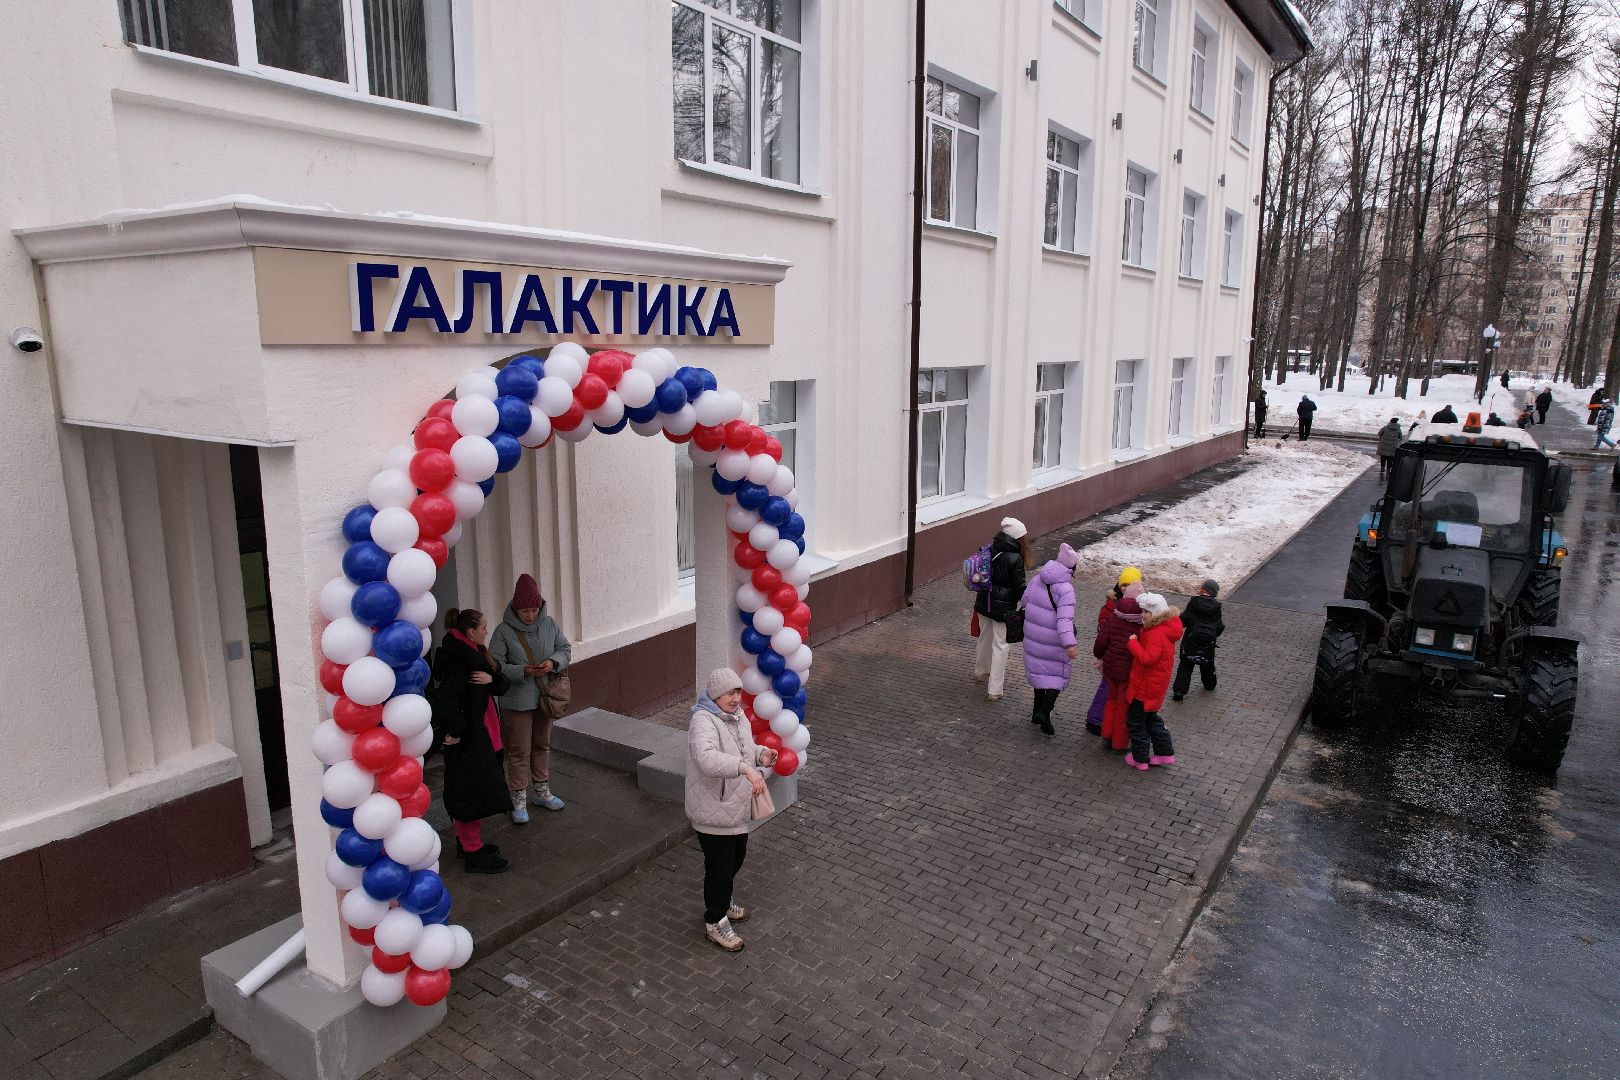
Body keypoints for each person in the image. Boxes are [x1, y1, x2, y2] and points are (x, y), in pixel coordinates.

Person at [686, 668, 778, 952]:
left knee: (736, 857)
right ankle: (715, 920)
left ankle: (723, 899)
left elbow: (744, 748)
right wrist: (746, 769)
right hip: (713, 808)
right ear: (715, 695)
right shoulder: (702, 720)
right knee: (719, 868)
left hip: (735, 808)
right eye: (730, 693)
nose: (736, 698)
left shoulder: (738, 717)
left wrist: (760, 753)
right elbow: (707, 758)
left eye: (738, 691)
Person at [432, 609, 513, 874]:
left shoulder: (474, 654)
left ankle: (467, 843)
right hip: (470, 737)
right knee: (471, 794)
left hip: (482, 733)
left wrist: (491, 679)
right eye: (483, 627)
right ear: (470, 631)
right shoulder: (460, 661)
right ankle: (472, 852)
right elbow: (447, 701)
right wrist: (456, 730)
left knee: (474, 790)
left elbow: (501, 682)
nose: (486, 631)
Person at [490, 573, 572, 824]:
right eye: (525, 610)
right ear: (516, 607)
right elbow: (494, 665)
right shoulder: (503, 631)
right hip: (517, 700)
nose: (530, 615)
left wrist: (552, 663)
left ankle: (541, 791)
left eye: (534, 609)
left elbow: (565, 649)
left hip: (545, 697)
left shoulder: (549, 624)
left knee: (542, 744)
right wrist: (522, 671)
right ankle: (518, 799)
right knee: (519, 750)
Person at [1022, 543, 1080, 737]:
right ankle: (1044, 713)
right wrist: (1070, 644)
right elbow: (1064, 621)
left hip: (1032, 636)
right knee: (1055, 677)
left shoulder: (1039, 577)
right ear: (1071, 568)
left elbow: (1025, 600)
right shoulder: (1066, 590)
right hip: (1053, 642)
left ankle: (1036, 712)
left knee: (1040, 674)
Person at [1123, 593, 1184, 771]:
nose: (1142, 615)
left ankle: (1140, 758)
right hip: (1156, 688)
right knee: (1151, 720)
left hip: (1145, 688)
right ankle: (1164, 753)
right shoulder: (1166, 630)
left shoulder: (1154, 633)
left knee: (1135, 722)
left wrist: (1133, 643)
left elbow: (1148, 659)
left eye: (1146, 612)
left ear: (1156, 614)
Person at [974, 517, 1031, 702]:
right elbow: (1020, 587)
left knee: (984, 638)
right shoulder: (1015, 557)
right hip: (1003, 608)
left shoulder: (989, 548)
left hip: (984, 602)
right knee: (1000, 646)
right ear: (1016, 537)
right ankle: (995, 689)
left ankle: (981, 671)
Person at [1084, 567, 1143, 737]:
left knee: (1117, 692)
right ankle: (1096, 720)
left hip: (1127, 657)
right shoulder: (1112, 605)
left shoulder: (1140, 607)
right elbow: (1104, 629)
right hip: (1115, 656)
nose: (1126, 588)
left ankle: (1114, 723)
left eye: (1130, 584)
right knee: (1107, 689)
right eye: (1123, 584)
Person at [1093, 593, 1142, 752]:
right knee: (1123, 707)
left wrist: (1099, 655)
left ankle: (1106, 736)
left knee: (1110, 701)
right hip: (1127, 674)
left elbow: (1101, 640)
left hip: (1110, 669)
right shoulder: (1139, 626)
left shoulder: (1113, 619)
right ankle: (1119, 744)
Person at [1171, 580, 1224, 701]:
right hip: (1207, 644)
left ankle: (1179, 691)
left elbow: (1184, 620)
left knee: (1186, 664)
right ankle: (1210, 685)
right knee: (1207, 663)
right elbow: (1219, 626)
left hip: (1191, 640)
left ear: (1203, 589)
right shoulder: (1217, 606)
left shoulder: (1194, 602)